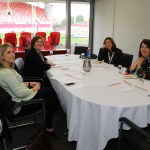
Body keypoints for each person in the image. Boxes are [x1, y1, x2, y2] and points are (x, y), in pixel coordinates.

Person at [0, 43, 60, 137]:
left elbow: (15, 84)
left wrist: (28, 83)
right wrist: (34, 89)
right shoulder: (7, 73)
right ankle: (49, 126)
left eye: (12, 51)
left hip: (19, 100)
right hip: (20, 105)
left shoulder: (6, 69)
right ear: (2, 56)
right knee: (52, 94)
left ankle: (49, 123)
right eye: (8, 52)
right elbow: (20, 93)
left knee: (51, 96)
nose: (12, 54)